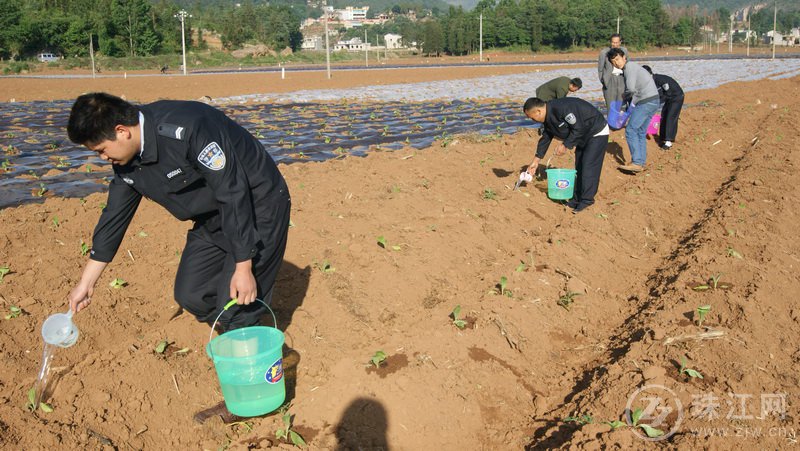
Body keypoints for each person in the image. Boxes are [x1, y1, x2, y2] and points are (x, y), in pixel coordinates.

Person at [66, 93, 291, 334]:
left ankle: (252, 348)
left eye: (101, 150)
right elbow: (113, 218)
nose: (103, 158)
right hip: (213, 214)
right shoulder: (126, 162)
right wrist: (86, 284)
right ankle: (235, 333)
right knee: (192, 295)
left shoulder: (189, 128)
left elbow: (232, 192)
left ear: (122, 131)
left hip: (258, 205)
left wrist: (243, 267)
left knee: (236, 305)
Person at [523, 97, 609, 213]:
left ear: (538, 111)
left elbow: (579, 127)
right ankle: (576, 199)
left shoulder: (562, 108)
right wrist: (536, 161)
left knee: (589, 167)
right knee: (579, 167)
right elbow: (546, 138)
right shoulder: (547, 119)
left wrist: (565, 144)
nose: (532, 120)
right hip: (582, 136)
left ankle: (587, 201)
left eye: (531, 117)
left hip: (596, 131)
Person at [607, 48, 659, 173]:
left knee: (630, 130)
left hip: (646, 101)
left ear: (624, 57)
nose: (616, 63)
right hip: (654, 100)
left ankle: (636, 162)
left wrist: (624, 98)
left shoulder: (629, 68)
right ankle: (640, 162)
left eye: (618, 59)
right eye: (613, 61)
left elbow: (630, 89)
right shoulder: (633, 68)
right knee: (641, 131)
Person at [642, 65, 684, 150]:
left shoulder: (660, 79)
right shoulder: (650, 82)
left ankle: (669, 142)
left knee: (670, 117)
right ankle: (663, 137)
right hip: (669, 98)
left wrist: (656, 104)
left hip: (676, 97)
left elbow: (667, 94)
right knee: (664, 116)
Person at [597, 34, 629, 111]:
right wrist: (604, 81)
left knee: (621, 107)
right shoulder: (604, 52)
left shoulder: (624, 51)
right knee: (611, 108)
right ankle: (611, 123)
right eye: (613, 42)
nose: (614, 44)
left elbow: (628, 65)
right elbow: (600, 69)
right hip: (610, 80)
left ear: (620, 42)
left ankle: (620, 123)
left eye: (616, 42)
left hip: (621, 79)